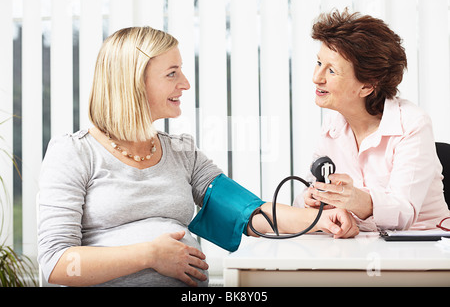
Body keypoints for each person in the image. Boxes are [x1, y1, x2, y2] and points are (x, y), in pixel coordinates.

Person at [38, 26, 358, 287]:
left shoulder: (181, 151)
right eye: (172, 73)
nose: (185, 84)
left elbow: (247, 212)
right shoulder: (74, 152)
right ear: (134, 81)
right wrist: (150, 255)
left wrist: (320, 221)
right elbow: (56, 264)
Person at [296, 9, 450, 232]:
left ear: (367, 85)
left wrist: (357, 200)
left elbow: (403, 213)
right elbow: (302, 201)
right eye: (319, 63)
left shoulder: (412, 124)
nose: (316, 78)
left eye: (331, 70)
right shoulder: (332, 125)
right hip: (358, 247)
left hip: (424, 250)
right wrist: (311, 199)